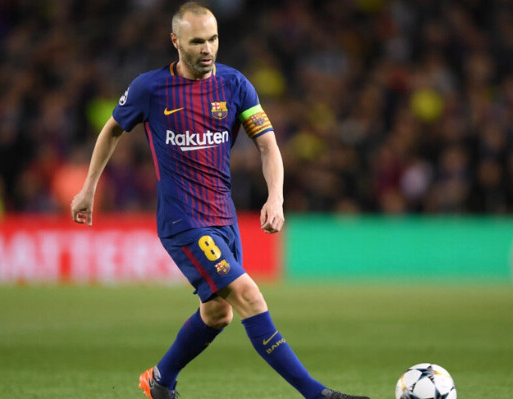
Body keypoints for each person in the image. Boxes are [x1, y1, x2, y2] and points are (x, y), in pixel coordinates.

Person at [70, 3, 369, 399]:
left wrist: (275, 198)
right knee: (248, 295)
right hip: (183, 222)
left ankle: (159, 381)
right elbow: (111, 131)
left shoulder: (234, 84)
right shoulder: (150, 88)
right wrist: (89, 187)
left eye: (212, 39)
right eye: (197, 41)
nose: (207, 48)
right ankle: (317, 394)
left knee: (218, 313)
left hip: (223, 218)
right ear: (176, 42)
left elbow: (268, 145)